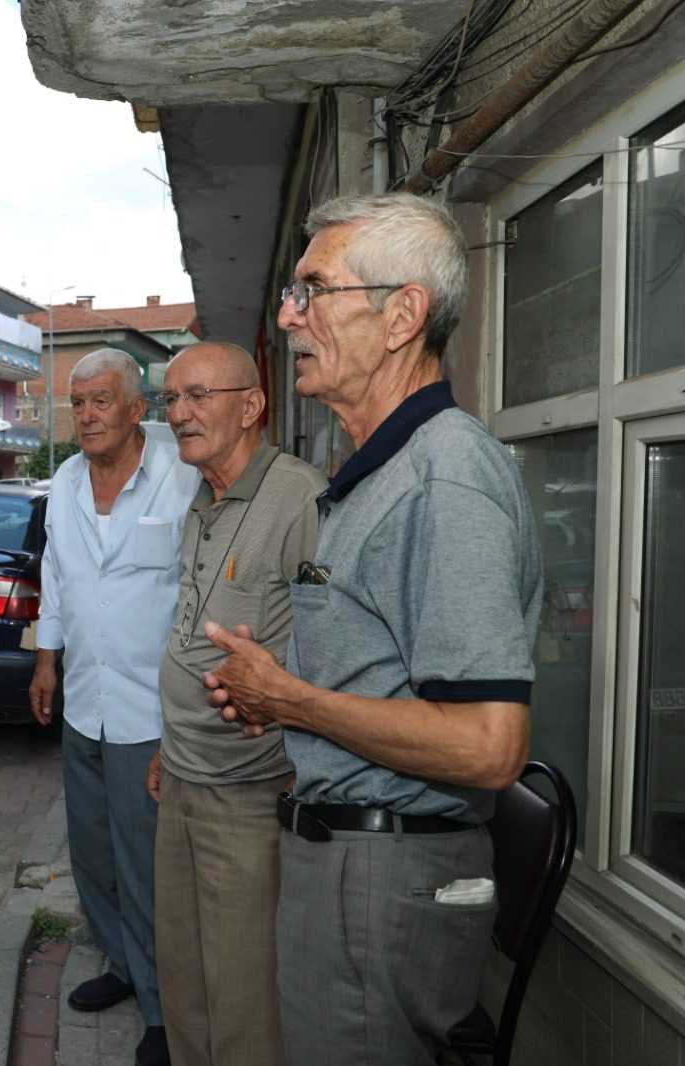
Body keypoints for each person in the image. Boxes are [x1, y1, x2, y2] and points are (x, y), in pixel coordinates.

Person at [203, 193, 541, 1066]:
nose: (288, 315)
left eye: (314, 289)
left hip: (385, 880)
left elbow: (488, 743)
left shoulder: (445, 478)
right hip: (349, 863)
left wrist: (293, 700)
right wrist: (277, 697)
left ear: (402, 316)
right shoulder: (377, 471)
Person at [145, 341, 326, 1066]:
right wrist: (167, 743)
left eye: (198, 397)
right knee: (183, 978)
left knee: (245, 996)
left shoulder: (302, 501)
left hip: (252, 792)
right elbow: (195, 635)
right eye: (172, 400)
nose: (181, 414)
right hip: (184, 779)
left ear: (251, 406)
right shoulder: (204, 496)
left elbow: (336, 657)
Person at [29, 347, 198, 1066]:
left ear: (138, 410)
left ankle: (166, 1010)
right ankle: (124, 967)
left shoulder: (181, 480)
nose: (88, 415)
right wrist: (47, 657)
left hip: (149, 713)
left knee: (148, 863)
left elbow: (196, 593)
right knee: (93, 852)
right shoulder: (66, 480)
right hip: (84, 700)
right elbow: (58, 576)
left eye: (102, 401)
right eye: (79, 403)